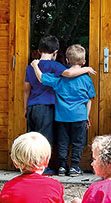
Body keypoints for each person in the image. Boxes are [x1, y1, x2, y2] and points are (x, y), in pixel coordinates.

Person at [24, 35, 95, 175]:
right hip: (65, 112)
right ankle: (66, 166)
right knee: (56, 140)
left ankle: (52, 165)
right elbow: (87, 96)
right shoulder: (61, 70)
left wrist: (25, 108)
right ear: (56, 52)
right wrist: (87, 69)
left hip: (45, 110)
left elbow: (32, 85)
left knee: (38, 138)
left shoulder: (43, 73)